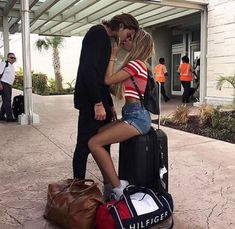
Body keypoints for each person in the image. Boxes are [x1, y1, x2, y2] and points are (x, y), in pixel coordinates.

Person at [88, 29, 154, 200]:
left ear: (137, 44)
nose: (125, 40)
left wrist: (113, 54)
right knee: (100, 135)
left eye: (130, 39)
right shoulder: (138, 64)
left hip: (137, 118)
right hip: (132, 114)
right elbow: (114, 87)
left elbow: (108, 80)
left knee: (94, 143)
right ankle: (109, 184)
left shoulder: (136, 64)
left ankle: (118, 187)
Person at [73, 13, 139, 181]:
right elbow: (88, 70)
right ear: (122, 26)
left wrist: (108, 104)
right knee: (83, 145)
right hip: (91, 102)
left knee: (104, 144)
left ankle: (109, 186)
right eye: (128, 34)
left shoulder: (106, 38)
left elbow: (102, 79)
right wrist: (97, 102)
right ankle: (77, 190)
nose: (127, 39)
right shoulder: (97, 33)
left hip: (100, 101)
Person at [0, 52, 17, 122]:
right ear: (8, 58)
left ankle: (1, 115)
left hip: (9, 85)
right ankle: (9, 118)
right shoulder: (4, 63)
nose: (13, 59)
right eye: (11, 57)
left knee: (6, 100)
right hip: (4, 84)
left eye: (14, 58)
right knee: (7, 101)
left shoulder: (11, 66)